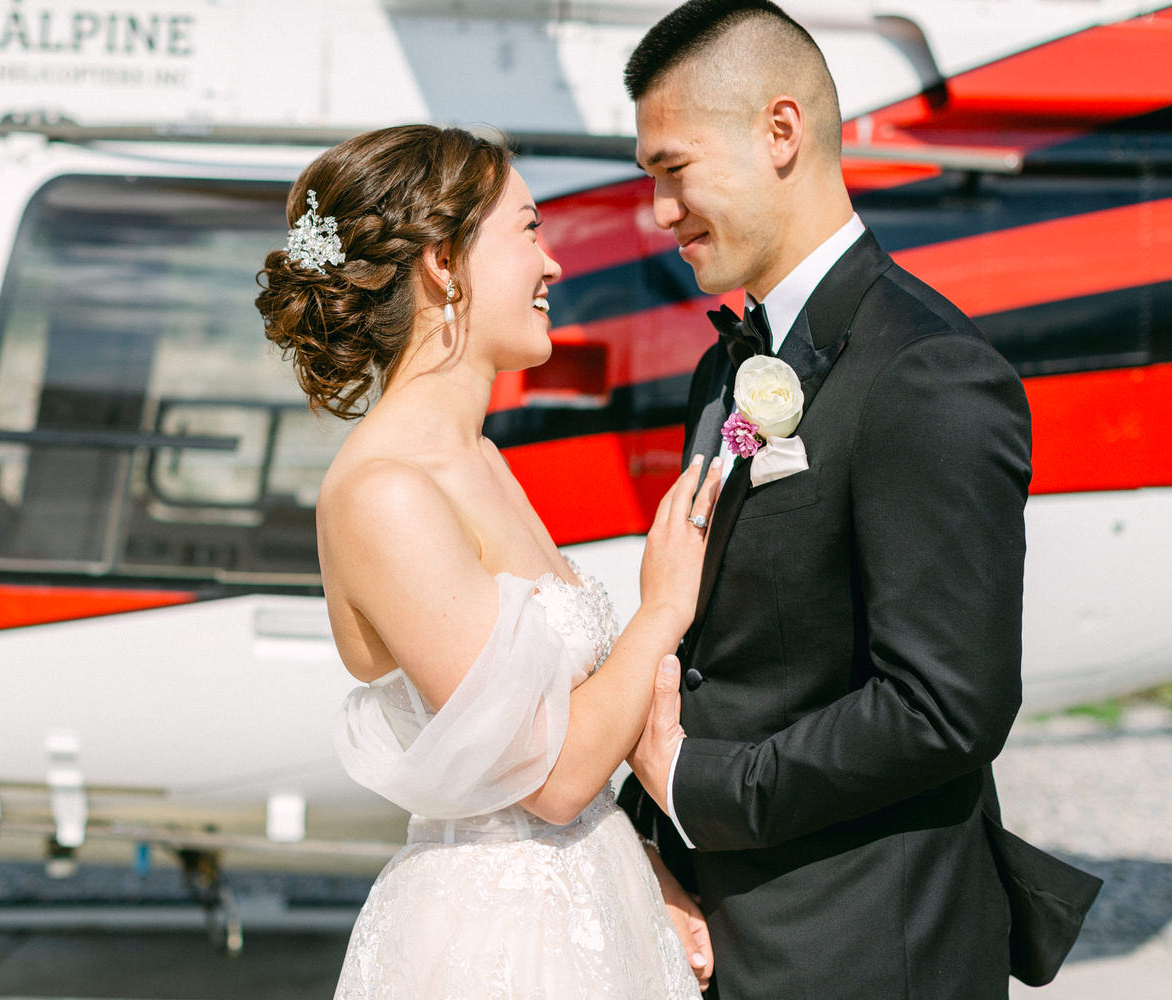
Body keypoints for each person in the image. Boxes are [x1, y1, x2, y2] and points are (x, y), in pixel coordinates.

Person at [615, 2, 1040, 998]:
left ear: (780, 132)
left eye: (671, 170)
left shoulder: (928, 372)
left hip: (860, 951)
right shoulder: (725, 371)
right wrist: (654, 849)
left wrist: (698, 789)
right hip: (717, 940)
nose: (660, 212)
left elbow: (946, 705)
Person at [255, 124, 717, 998]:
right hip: (500, 945)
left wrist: (638, 869)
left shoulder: (483, 460)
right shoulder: (384, 491)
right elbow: (544, 779)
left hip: (587, 903)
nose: (552, 266)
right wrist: (664, 608)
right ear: (443, 261)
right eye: (530, 230)